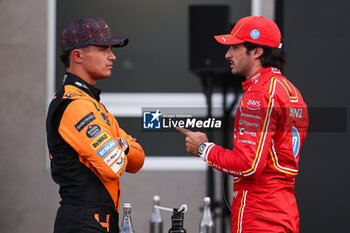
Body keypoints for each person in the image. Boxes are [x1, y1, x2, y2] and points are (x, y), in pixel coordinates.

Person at [177, 16, 309, 233]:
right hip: (285, 212)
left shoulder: (258, 94)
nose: (227, 54)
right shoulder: (291, 91)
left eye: (234, 47)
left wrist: (203, 149)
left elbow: (249, 165)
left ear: (257, 52)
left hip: (260, 216)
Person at [46, 17, 145, 233]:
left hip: (100, 221)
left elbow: (138, 160)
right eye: (103, 49)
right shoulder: (74, 105)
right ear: (77, 55)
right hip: (82, 223)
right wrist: (122, 146)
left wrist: (123, 146)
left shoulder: (94, 104)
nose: (112, 56)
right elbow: (114, 166)